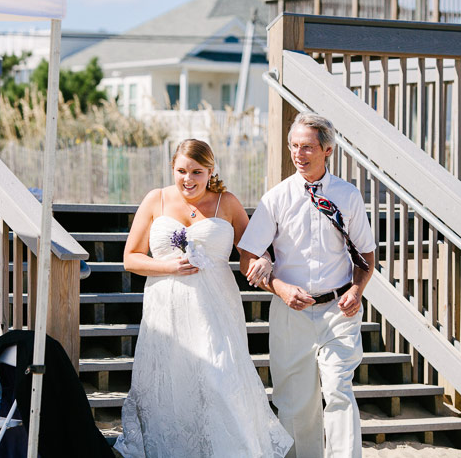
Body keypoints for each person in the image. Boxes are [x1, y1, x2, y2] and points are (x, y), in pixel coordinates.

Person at [114, 139, 293, 457]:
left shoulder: (228, 203)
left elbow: (251, 254)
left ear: (211, 170)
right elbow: (131, 258)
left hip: (216, 308)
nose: (188, 178)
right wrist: (167, 266)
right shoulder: (155, 200)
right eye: (181, 170)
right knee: (172, 384)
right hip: (166, 307)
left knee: (218, 376)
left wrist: (264, 260)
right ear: (172, 168)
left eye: (197, 171)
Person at [239, 113, 376, 458]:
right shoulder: (277, 198)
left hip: (338, 310)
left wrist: (357, 290)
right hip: (290, 312)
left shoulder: (348, 195)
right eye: (294, 146)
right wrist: (281, 288)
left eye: (308, 147)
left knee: (338, 389)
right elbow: (247, 257)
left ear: (327, 150)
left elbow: (366, 256)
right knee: (294, 400)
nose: (299, 154)